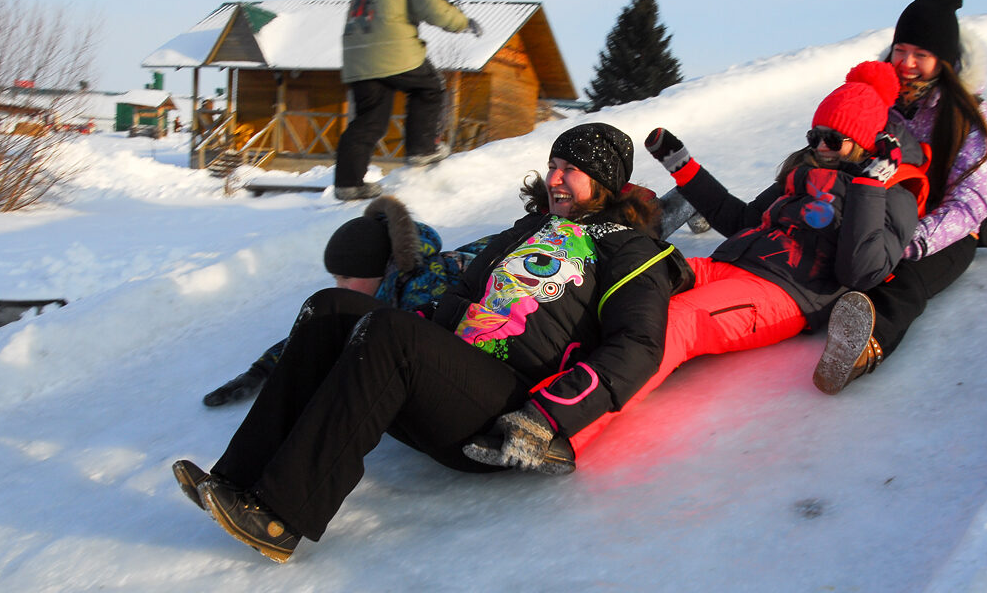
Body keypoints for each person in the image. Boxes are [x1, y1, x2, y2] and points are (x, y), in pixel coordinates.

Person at [174, 123, 685, 562]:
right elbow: (458, 297)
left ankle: (282, 516)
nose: (554, 177)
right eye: (552, 164)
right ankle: (237, 480)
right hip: (452, 381)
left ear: (605, 181)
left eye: (569, 169)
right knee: (331, 308)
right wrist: (415, 333)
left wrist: (545, 418)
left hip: (504, 414)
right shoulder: (527, 231)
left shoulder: (630, 249)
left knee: (389, 331)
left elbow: (637, 345)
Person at [568, 62, 928, 453]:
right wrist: (684, 168)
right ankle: (528, 379)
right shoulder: (803, 174)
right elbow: (742, 221)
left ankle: (566, 425)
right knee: (629, 285)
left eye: (834, 139)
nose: (821, 146)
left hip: (781, 292)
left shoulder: (894, 197)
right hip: (726, 267)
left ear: (863, 143)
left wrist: (868, 186)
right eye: (815, 136)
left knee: (675, 322)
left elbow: (860, 270)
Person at [812, 0, 987, 394]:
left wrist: (913, 240)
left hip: (940, 231)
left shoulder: (971, 116)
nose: (907, 63)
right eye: (901, 50)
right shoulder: (879, 99)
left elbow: (970, 202)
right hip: (878, 208)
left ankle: (864, 343)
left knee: (905, 279)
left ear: (945, 61)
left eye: (921, 55)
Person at [201, 195, 481, 407]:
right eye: (336, 277)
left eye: (347, 277)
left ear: (379, 271)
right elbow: (327, 328)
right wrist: (261, 369)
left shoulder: (424, 290)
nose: (340, 286)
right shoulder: (387, 285)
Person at [333, 0, 483, 201]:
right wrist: (462, 22)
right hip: (391, 45)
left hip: (357, 49)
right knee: (429, 88)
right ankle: (422, 149)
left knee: (369, 120)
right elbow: (427, 1)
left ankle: (348, 184)